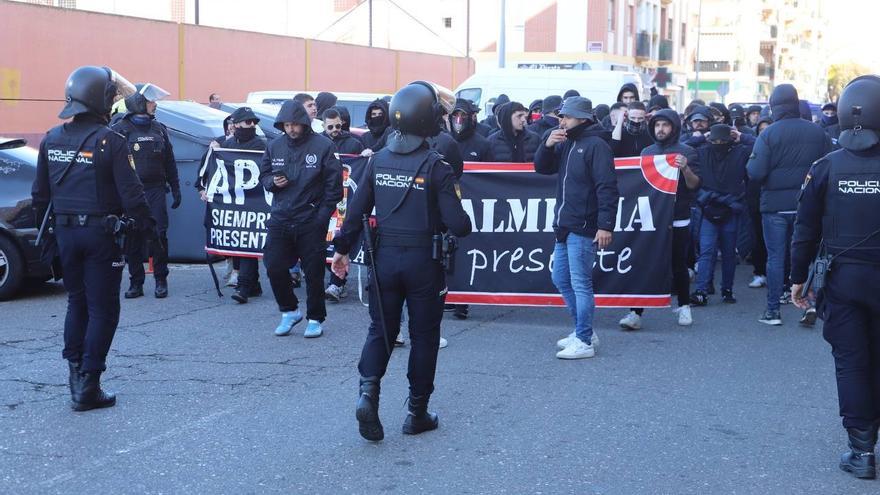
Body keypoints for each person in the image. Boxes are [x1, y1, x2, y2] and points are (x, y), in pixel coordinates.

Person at [330, 81, 471, 442]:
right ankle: (417, 412)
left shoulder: (376, 161)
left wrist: (341, 252)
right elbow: (460, 225)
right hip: (425, 262)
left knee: (381, 330)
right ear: (429, 121)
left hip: (383, 260)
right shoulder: (437, 166)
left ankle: (368, 394)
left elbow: (354, 213)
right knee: (423, 336)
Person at [31, 66, 153, 411]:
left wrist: (50, 239)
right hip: (102, 236)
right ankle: (89, 383)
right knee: (104, 309)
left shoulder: (51, 138)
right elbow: (133, 196)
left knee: (77, 302)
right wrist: (146, 234)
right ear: (99, 100)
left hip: (65, 234)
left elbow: (40, 195)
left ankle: (75, 375)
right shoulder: (111, 141)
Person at [790, 75, 880, 479]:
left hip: (842, 281)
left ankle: (862, 453)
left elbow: (804, 229)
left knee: (851, 364)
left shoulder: (825, 166)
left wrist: (797, 278)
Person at [534, 97, 619, 359]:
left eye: (567, 117)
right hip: (564, 224)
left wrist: (605, 226)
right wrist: (546, 146)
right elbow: (541, 168)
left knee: (581, 284)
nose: (561, 121)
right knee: (560, 278)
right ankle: (585, 330)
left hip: (584, 226)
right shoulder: (566, 142)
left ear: (582, 119)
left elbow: (607, 188)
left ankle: (584, 340)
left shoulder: (597, 145)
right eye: (561, 117)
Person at [746, 84, 831, 325]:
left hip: (774, 206)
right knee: (810, 256)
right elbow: (829, 167)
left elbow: (755, 172)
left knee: (775, 258)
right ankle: (810, 305)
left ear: (773, 107)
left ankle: (773, 311)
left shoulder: (768, 134)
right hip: (809, 206)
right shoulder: (818, 133)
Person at [259, 100, 342, 338]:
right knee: (273, 266)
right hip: (281, 217)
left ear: (304, 123)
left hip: (310, 219)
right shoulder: (274, 146)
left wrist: (321, 217)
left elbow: (334, 188)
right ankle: (289, 311)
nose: (291, 129)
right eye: (286, 125)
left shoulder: (323, 146)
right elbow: (263, 175)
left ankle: (315, 318)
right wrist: (271, 182)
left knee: (314, 273)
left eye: (295, 124)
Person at [618, 109, 701, 330]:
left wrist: (685, 168)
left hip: (678, 217)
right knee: (643, 263)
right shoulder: (647, 151)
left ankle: (684, 307)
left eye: (665, 125)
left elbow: (694, 185)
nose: (660, 129)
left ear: (673, 127)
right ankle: (636, 312)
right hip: (650, 218)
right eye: (657, 125)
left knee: (678, 265)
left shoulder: (688, 152)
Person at [112, 83, 180, 300]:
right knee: (133, 236)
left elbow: (169, 161)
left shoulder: (159, 128)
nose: (155, 104)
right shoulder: (120, 129)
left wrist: (176, 188)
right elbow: (110, 164)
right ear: (139, 102)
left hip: (155, 190)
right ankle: (136, 283)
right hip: (130, 193)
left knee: (159, 235)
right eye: (151, 101)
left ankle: (161, 280)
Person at [689, 124, 753, 306]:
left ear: (730, 140)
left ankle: (726, 289)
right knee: (708, 252)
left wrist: (742, 136)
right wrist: (702, 137)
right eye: (714, 140)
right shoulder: (704, 152)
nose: (718, 144)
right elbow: (682, 145)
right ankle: (702, 290)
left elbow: (761, 146)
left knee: (726, 253)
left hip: (723, 207)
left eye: (722, 141)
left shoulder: (739, 152)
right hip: (718, 207)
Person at [213, 107, 268, 304]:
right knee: (241, 242)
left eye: (254, 122)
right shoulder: (226, 145)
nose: (252, 125)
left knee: (248, 242)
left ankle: (244, 286)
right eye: (247, 122)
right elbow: (214, 169)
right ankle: (253, 285)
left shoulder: (261, 145)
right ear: (235, 124)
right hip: (234, 201)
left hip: (255, 201)